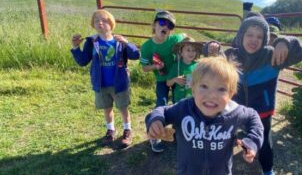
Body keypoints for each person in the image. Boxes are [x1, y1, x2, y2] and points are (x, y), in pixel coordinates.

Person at [145, 57, 263, 175]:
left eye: (221, 89)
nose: (211, 95)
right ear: (192, 88)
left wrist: (251, 141)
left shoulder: (235, 113)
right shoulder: (184, 109)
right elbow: (162, 110)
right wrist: (156, 119)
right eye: (204, 86)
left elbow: (253, 117)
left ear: (231, 94)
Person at [205, 14, 302, 175]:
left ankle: (268, 172)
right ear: (241, 35)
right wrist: (209, 47)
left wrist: (285, 42)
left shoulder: (271, 56)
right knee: (226, 137)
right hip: (234, 110)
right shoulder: (230, 56)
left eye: (259, 36)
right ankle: (219, 169)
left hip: (262, 111)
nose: (254, 40)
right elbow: (212, 60)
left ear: (265, 39)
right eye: (249, 34)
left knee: (264, 142)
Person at [71, 9, 140, 148]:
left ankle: (127, 130)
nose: (100, 23)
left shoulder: (119, 41)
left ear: (111, 24)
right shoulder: (91, 42)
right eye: (96, 20)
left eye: (104, 20)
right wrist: (76, 47)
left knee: (123, 108)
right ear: (93, 24)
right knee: (107, 108)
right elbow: (83, 61)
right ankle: (110, 130)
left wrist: (127, 43)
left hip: (119, 83)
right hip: (101, 83)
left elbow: (136, 55)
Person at [140, 10, 187, 153]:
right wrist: (155, 66)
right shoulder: (147, 46)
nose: (165, 27)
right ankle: (155, 135)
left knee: (180, 102)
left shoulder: (174, 39)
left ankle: (177, 131)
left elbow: (185, 35)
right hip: (161, 80)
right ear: (154, 25)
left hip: (176, 77)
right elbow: (144, 68)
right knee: (161, 103)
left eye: (170, 25)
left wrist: (186, 47)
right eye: (161, 22)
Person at [166, 36, 203, 103]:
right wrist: (175, 79)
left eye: (193, 50)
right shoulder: (176, 66)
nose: (191, 53)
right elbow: (168, 83)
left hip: (193, 99)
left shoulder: (198, 65)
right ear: (181, 52)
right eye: (188, 50)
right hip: (179, 99)